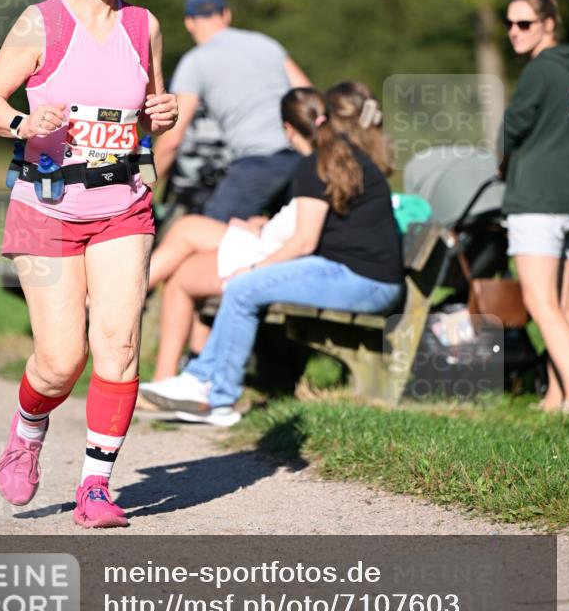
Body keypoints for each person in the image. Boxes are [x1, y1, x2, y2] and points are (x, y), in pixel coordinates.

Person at [0, 0, 178, 527]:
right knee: (62, 360)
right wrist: (23, 122)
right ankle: (29, 430)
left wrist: (158, 118)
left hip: (123, 205)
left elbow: (149, 110)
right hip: (48, 203)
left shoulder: (144, 25)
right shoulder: (41, 23)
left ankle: (95, 488)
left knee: (117, 345)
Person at [140, 82, 405, 425]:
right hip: (361, 275)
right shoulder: (342, 157)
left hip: (362, 280)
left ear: (291, 129)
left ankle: (217, 399)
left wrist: (253, 267)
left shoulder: (319, 163)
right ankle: (198, 380)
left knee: (242, 287)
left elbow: (304, 241)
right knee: (242, 286)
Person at [146, 88, 326, 387]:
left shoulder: (313, 166)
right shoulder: (316, 163)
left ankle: (171, 369)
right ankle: (182, 373)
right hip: (270, 238)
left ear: (288, 128)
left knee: (185, 254)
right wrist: (263, 224)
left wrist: (259, 256)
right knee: (186, 239)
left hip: (275, 252)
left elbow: (306, 235)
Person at [153, 0, 312, 221]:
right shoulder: (266, 44)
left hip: (256, 163)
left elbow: (173, 137)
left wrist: (146, 183)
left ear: (189, 22)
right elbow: (307, 95)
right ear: (226, 15)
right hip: (299, 158)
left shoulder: (195, 61)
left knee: (203, 234)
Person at [500, 0, 569, 412]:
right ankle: (556, 394)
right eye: (509, 23)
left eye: (524, 23)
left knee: (540, 302)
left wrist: (501, 158)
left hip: (537, 199)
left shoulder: (538, 71)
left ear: (549, 25)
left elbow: (511, 131)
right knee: (563, 304)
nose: (514, 32)